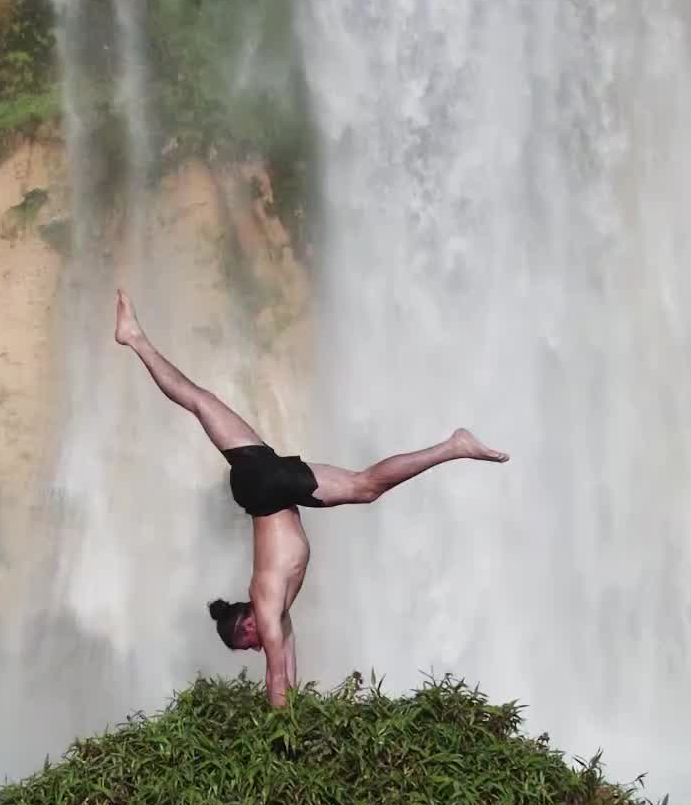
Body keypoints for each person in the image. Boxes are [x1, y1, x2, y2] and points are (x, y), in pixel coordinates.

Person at [115, 289, 508, 709]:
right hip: (268, 486)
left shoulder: (266, 603)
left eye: (243, 641)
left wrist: (280, 740)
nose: (251, 647)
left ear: (246, 622)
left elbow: (276, 676)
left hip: (268, 489)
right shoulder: (279, 612)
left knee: (205, 405)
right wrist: (295, 711)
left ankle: (452, 447)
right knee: (359, 483)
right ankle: (135, 337)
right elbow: (290, 669)